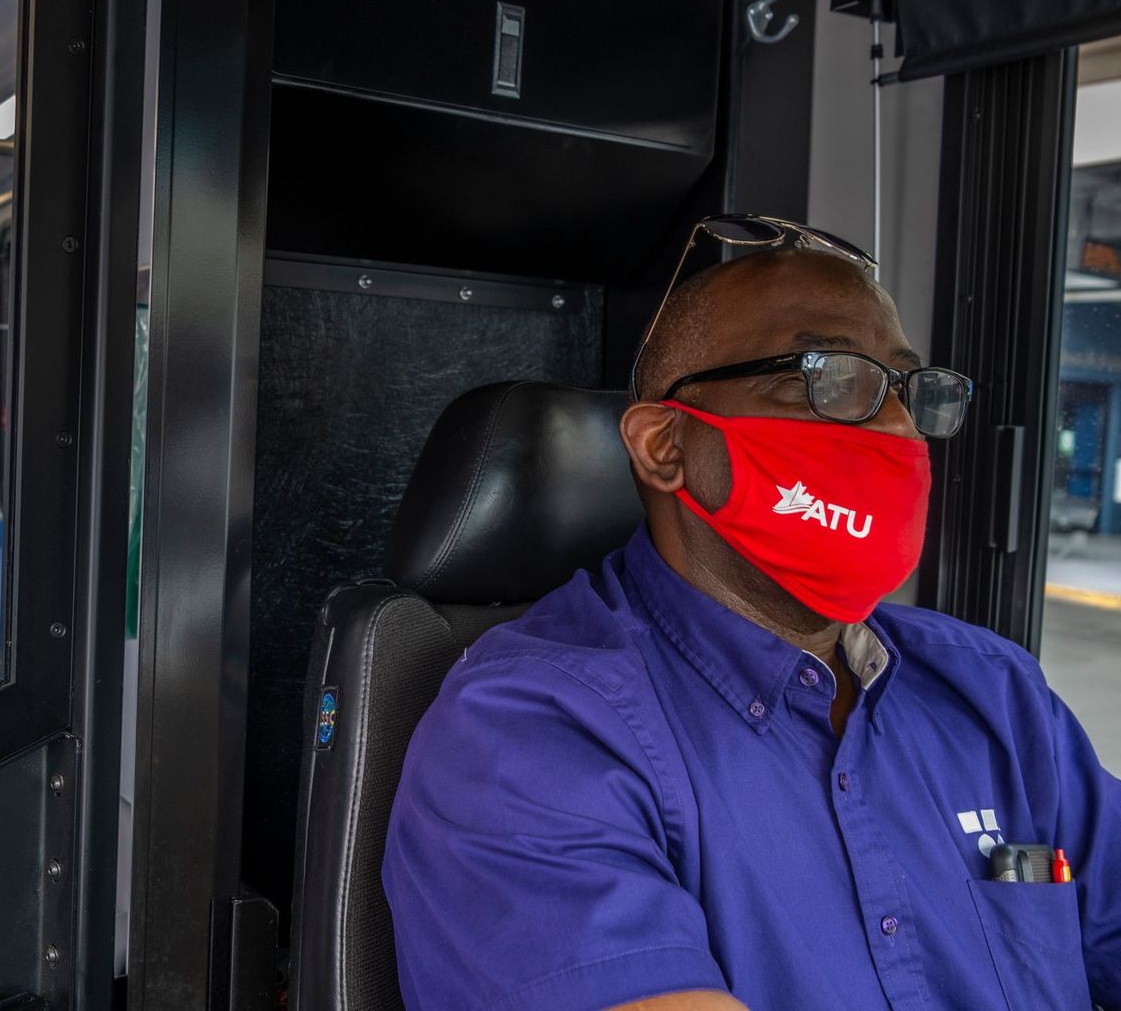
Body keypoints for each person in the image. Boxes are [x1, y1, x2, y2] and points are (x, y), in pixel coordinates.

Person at [381, 215, 1121, 1011]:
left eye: (910, 390)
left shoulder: (995, 693)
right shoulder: (529, 731)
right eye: (828, 377)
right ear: (665, 446)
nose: (898, 426)